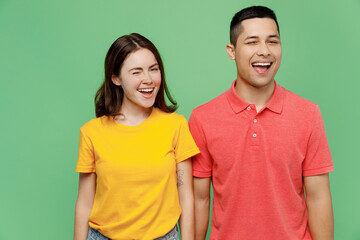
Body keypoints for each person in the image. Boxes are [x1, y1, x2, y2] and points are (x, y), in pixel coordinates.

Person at [189, 6, 334, 240]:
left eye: (272, 41)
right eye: (252, 42)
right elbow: (199, 199)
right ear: (232, 51)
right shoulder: (202, 118)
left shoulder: (308, 113)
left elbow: (318, 197)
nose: (264, 51)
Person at [74, 33, 199, 240]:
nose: (148, 79)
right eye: (136, 72)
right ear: (116, 78)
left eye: (153, 69)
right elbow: (84, 204)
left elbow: (186, 197)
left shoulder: (176, 125)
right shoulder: (91, 132)